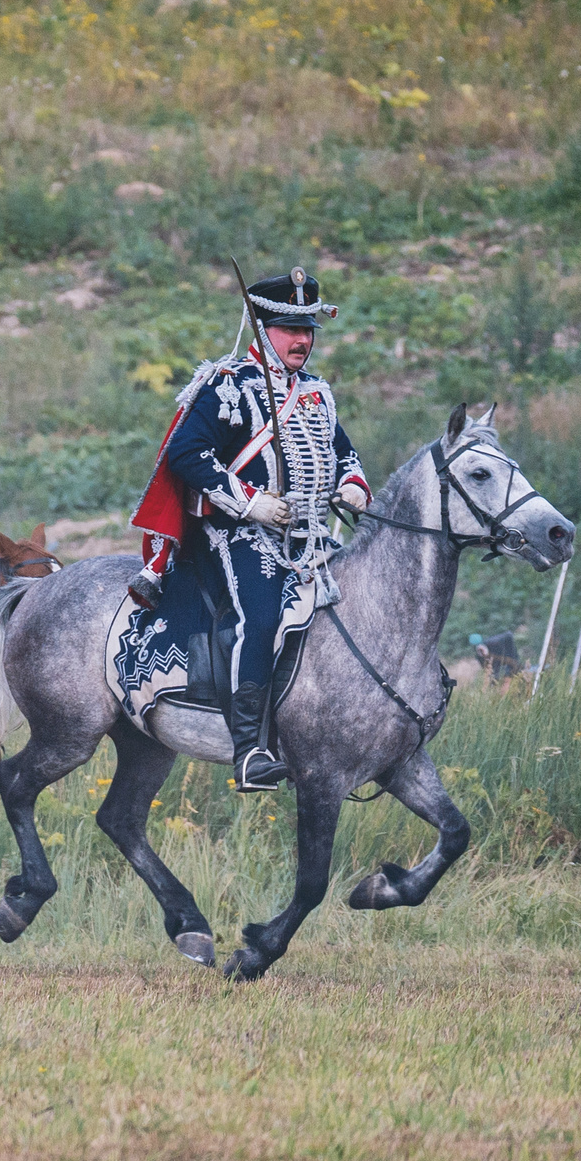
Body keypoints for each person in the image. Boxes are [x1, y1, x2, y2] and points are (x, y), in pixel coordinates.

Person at [142, 267, 368, 791]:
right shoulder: (226, 384)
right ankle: (250, 750)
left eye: (309, 329)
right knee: (260, 613)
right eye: (291, 329)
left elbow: (344, 453)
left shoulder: (316, 392)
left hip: (309, 536)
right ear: (263, 329)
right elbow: (186, 454)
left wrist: (355, 485)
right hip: (236, 534)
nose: (303, 340)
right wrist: (250, 504)